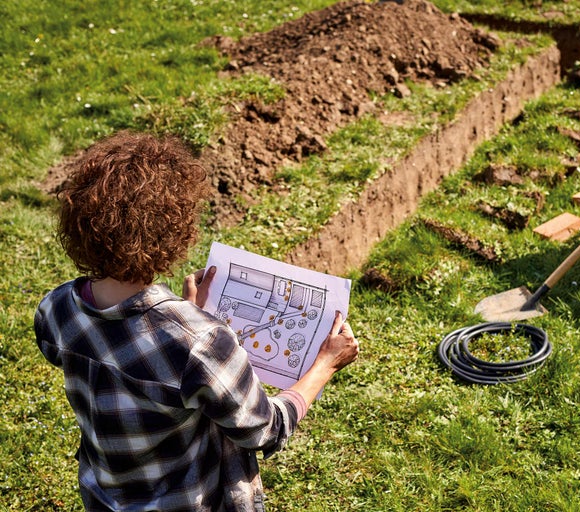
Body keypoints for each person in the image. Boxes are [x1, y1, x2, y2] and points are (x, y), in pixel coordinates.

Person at [33, 131, 359, 511]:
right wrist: (324, 365)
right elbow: (265, 430)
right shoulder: (200, 342)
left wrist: (185, 309)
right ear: (172, 232)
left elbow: (122, 354)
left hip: (106, 498)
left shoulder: (54, 309)